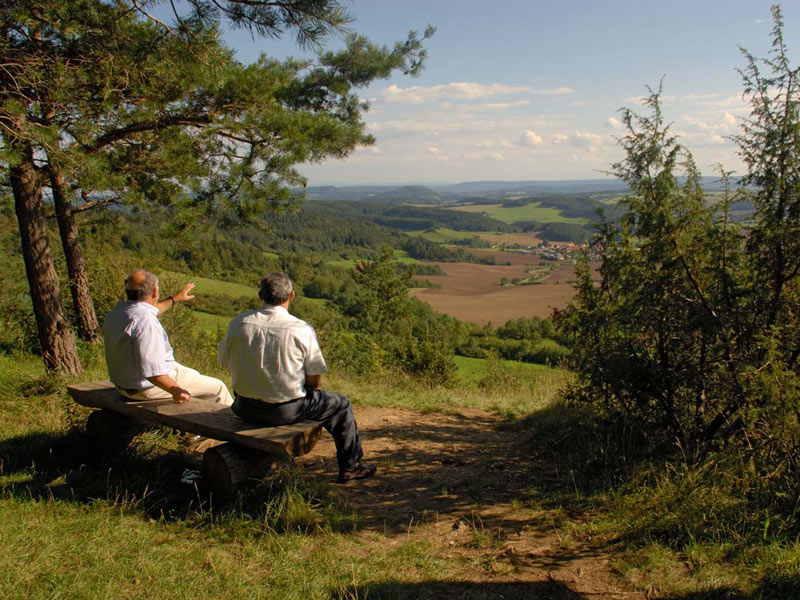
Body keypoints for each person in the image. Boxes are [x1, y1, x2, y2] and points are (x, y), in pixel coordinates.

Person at [218, 272, 376, 483]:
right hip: (284, 412)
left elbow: (224, 361)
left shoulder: (239, 323)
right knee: (342, 405)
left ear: (260, 296)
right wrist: (307, 389)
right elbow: (314, 379)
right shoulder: (300, 329)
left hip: (243, 407)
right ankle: (351, 466)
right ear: (291, 295)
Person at [103, 269, 233, 406]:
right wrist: (176, 391)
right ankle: (231, 424)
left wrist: (174, 299)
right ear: (154, 292)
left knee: (192, 374)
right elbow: (152, 371)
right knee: (218, 387)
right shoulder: (147, 322)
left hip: (123, 384)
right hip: (145, 388)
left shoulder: (118, 312)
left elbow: (147, 312)